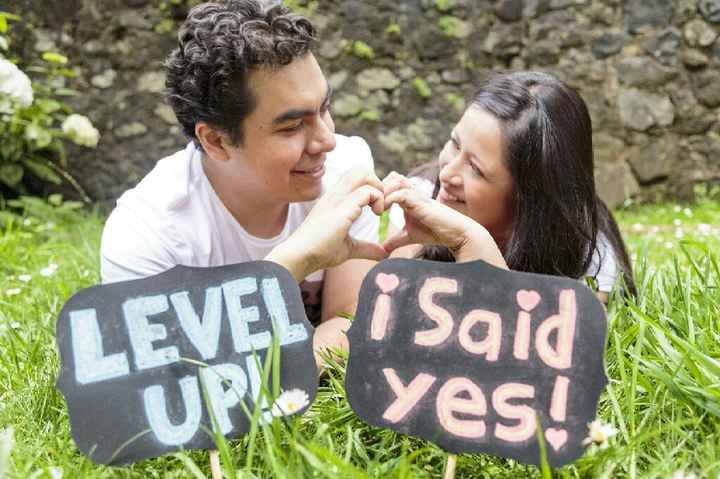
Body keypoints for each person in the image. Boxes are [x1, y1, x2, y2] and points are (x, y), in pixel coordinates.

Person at [100, 0, 388, 365]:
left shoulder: (346, 169)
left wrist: (261, 373)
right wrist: (296, 260)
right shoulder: (148, 235)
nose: (327, 141)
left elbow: (348, 322)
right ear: (216, 141)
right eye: (292, 126)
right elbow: (172, 382)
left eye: (324, 109)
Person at [382, 71, 636, 303]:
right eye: (455, 144)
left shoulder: (588, 257)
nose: (448, 173)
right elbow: (394, 308)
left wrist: (468, 242)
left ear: (528, 198)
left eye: (476, 169)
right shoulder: (422, 196)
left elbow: (531, 343)